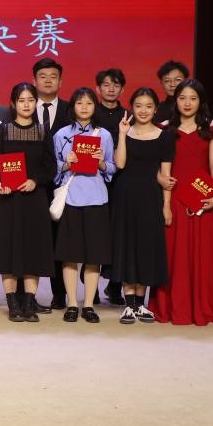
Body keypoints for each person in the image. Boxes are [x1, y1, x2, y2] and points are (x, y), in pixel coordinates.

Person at [150, 79, 213, 326]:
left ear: (200, 101)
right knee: (173, 255)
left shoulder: (212, 128)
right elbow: (154, 164)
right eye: (182, 98)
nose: (187, 103)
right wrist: (160, 181)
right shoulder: (164, 128)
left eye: (193, 98)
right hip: (173, 197)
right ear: (175, 100)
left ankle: (202, 307)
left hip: (201, 196)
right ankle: (171, 307)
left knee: (202, 256)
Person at [0, 83, 54, 322]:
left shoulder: (43, 131)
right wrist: (0, 183)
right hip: (8, 200)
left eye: (30, 100)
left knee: (34, 250)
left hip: (35, 200)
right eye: (21, 100)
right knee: (8, 251)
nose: (26, 105)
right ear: (13, 103)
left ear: (36, 103)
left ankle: (28, 303)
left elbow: (50, 167)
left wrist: (35, 181)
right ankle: (12, 303)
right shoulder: (2, 131)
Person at [110, 88, 173, 324]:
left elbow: (166, 175)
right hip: (125, 196)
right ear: (132, 107)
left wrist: (167, 204)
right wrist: (122, 134)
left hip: (150, 197)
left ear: (155, 109)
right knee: (127, 246)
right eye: (138, 106)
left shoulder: (164, 136)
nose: (143, 110)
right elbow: (120, 163)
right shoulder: (124, 131)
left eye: (148, 106)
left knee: (146, 247)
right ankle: (129, 304)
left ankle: (140, 303)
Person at [52, 87, 116, 323]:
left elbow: (112, 168)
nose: (85, 107)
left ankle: (88, 304)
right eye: (80, 103)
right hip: (71, 199)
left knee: (93, 256)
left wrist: (101, 163)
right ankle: (71, 303)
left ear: (95, 107)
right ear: (73, 107)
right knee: (70, 255)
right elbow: (53, 169)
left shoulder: (104, 135)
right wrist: (66, 163)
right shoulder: (61, 135)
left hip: (96, 199)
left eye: (89, 103)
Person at [34, 58, 70, 311]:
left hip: (62, 188)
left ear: (60, 81)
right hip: (32, 186)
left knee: (60, 240)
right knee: (32, 240)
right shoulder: (23, 107)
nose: (48, 80)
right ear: (34, 80)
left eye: (53, 76)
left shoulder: (70, 109)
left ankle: (59, 294)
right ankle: (28, 295)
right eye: (43, 76)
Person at [92, 67, 128, 305]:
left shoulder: (129, 116)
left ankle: (115, 286)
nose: (111, 89)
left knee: (118, 234)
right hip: (93, 181)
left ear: (122, 89)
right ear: (98, 89)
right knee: (96, 234)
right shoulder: (91, 114)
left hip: (122, 182)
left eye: (116, 85)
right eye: (106, 84)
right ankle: (92, 288)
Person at [153, 60, 190, 124]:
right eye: (167, 81)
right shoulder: (157, 110)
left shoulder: (192, 106)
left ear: (186, 81)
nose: (172, 84)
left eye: (177, 80)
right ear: (161, 83)